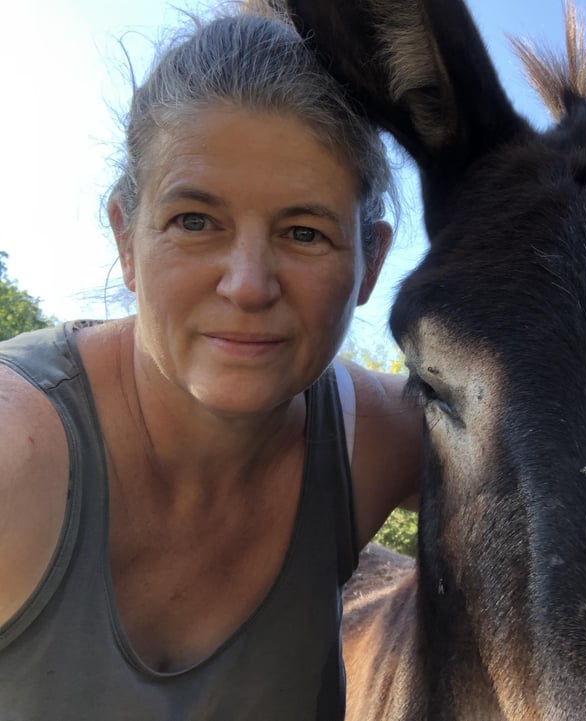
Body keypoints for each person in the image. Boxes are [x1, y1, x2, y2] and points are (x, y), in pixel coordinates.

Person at [0, 6, 422, 719]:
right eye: (194, 221)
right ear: (127, 239)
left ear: (370, 263)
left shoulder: (374, 442)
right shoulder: (15, 458)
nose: (248, 285)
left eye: (304, 232)